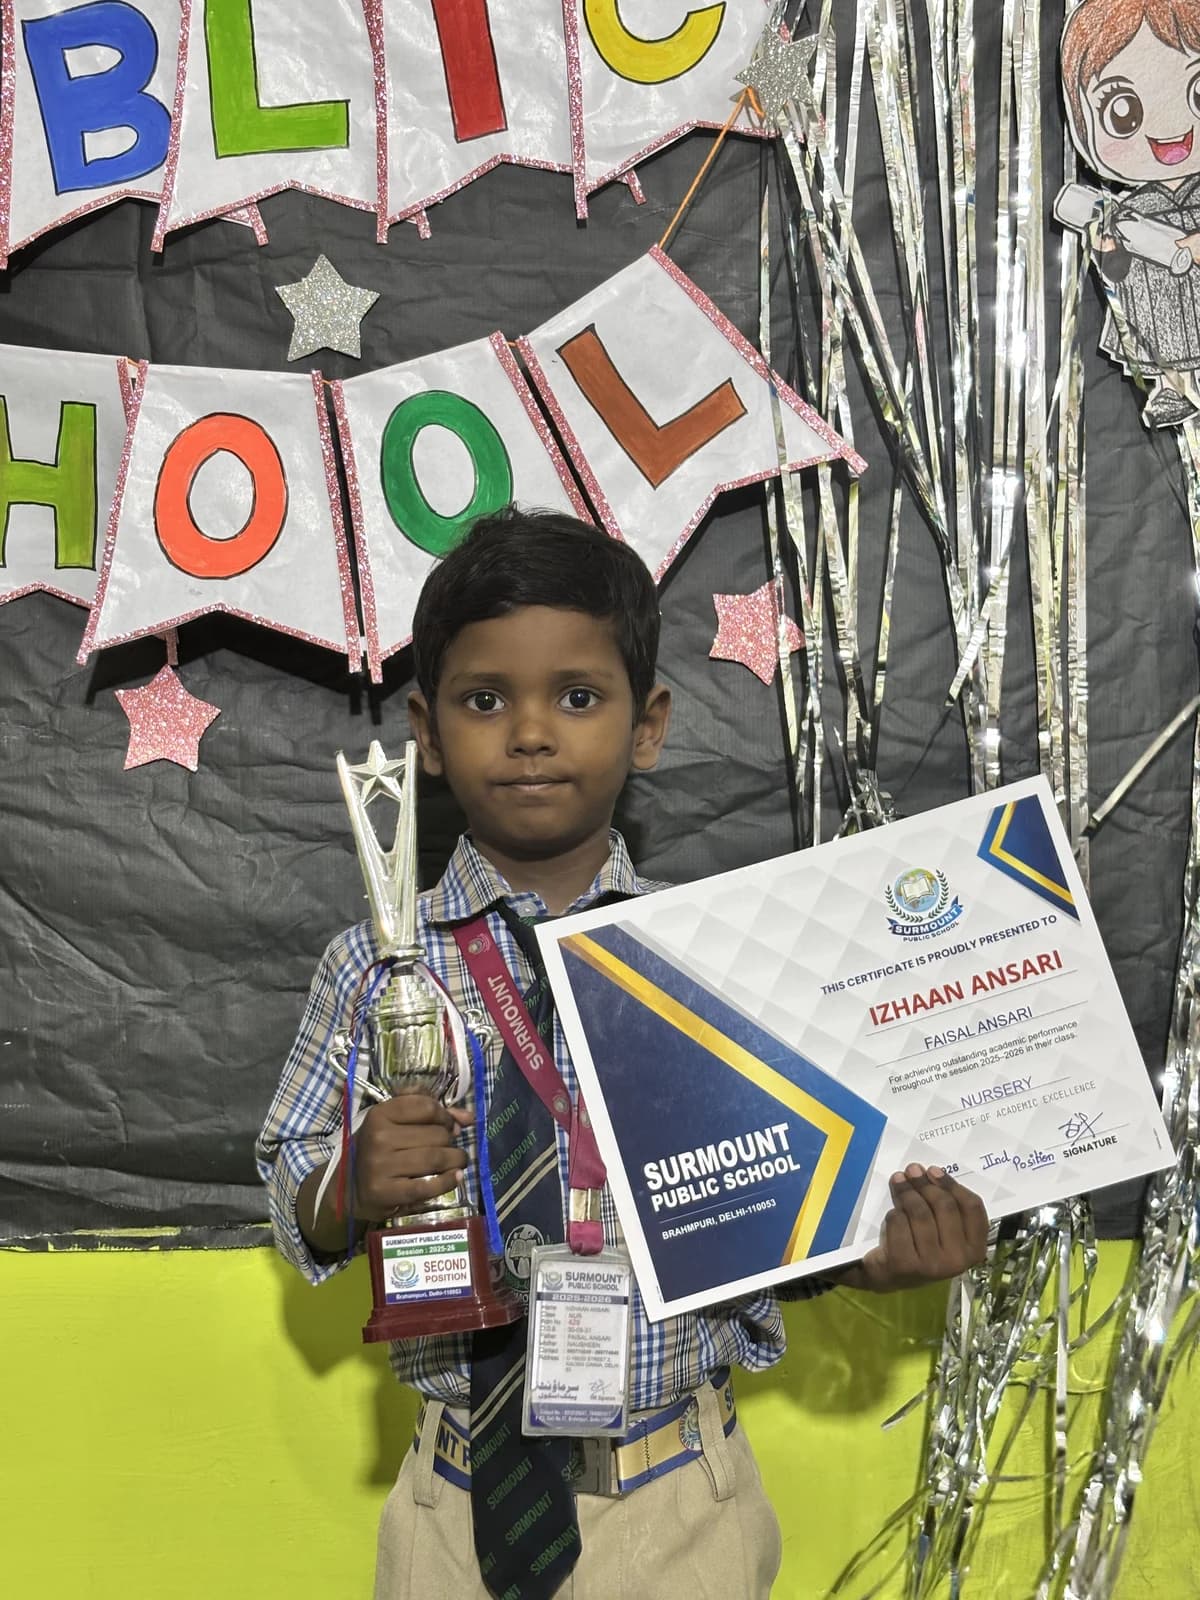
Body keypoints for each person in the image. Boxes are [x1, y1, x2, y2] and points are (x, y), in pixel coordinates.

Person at [257, 506, 989, 1600]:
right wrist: (347, 1183)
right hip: (451, 1502)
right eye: (485, 698)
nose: (532, 731)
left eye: (579, 696)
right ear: (425, 728)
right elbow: (284, 1184)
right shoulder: (372, 963)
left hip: (674, 1495)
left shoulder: (705, 958)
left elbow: (761, 1193)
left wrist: (868, 1251)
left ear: (647, 727)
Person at [1060, 0, 1200, 426]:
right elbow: (1117, 276)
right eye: (1123, 112)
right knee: (1164, 345)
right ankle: (1176, 388)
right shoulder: (1130, 207)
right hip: (1156, 305)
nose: (1169, 130)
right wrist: (1108, 252)